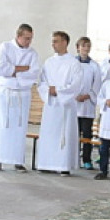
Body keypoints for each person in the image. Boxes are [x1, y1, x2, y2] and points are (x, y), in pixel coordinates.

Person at [0, 23, 40, 171]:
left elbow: (33, 73)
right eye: (26, 38)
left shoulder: (33, 53)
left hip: (22, 94)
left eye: (30, 39)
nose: (28, 42)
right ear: (18, 36)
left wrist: (12, 71)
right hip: (5, 93)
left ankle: (18, 160)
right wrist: (21, 69)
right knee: (1, 126)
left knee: (19, 127)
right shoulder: (5, 47)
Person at [35, 30, 81, 175]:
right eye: (52, 41)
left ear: (65, 42)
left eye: (56, 41)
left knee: (64, 134)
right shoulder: (49, 62)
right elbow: (41, 82)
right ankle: (46, 163)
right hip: (51, 105)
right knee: (49, 133)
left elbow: (76, 85)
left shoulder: (74, 63)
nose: (53, 44)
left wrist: (59, 91)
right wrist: (48, 90)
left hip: (65, 105)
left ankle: (63, 165)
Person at [74, 35, 101, 170]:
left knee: (87, 134)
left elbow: (97, 84)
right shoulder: (72, 63)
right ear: (78, 48)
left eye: (88, 46)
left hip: (87, 105)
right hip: (74, 104)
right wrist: (74, 94)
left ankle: (86, 159)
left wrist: (88, 95)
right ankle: (72, 158)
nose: (86, 48)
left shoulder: (94, 66)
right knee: (73, 133)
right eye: (83, 46)